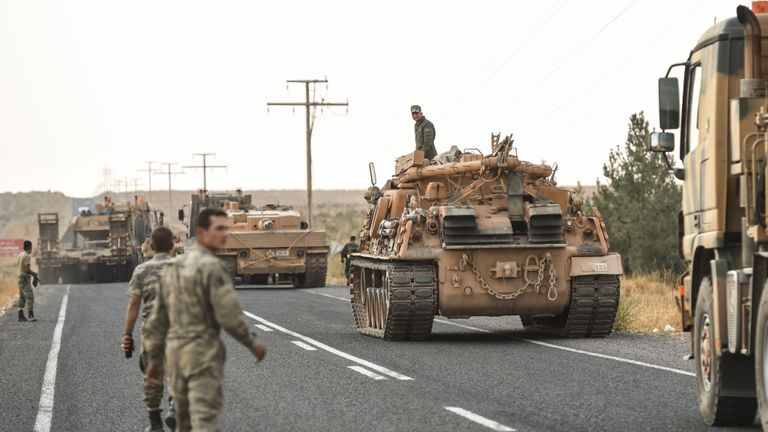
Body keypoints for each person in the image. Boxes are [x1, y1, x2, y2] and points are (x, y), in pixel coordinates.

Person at [144, 208, 267, 432]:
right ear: (201, 232)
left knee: (183, 423)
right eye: (219, 229)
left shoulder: (174, 267)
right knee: (205, 421)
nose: (224, 234)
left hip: (175, 356)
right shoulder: (212, 267)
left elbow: (157, 319)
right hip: (202, 355)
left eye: (226, 229)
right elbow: (229, 315)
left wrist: (154, 360)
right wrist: (253, 344)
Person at [122, 227, 177, 432]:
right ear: (172, 245)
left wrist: (127, 334)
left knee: (152, 373)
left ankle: (155, 423)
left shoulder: (142, 270)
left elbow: (134, 305)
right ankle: (175, 406)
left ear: (151, 246)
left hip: (152, 331)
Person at [17, 240, 39, 322]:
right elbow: (27, 269)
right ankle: (30, 315)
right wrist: (34, 274)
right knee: (29, 296)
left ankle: (20, 315)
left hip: (19, 277)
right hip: (24, 279)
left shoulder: (20, 255)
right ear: (30, 247)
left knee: (22, 296)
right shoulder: (26, 256)